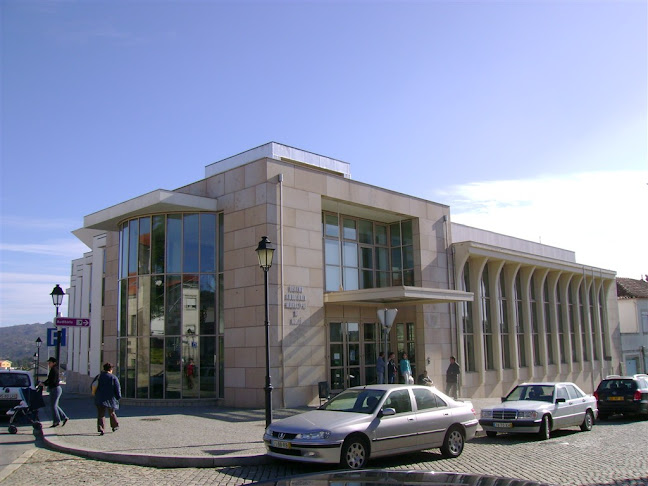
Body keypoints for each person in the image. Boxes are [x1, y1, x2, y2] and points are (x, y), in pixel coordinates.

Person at [40, 357, 69, 428]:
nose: (49, 364)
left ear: (54, 363)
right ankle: (64, 417)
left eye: (50, 363)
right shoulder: (53, 370)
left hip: (55, 389)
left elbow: (52, 381)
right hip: (54, 389)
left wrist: (45, 384)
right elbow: (49, 380)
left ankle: (56, 421)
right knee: (55, 405)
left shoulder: (54, 370)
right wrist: (44, 383)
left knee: (53, 406)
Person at [94, 362, 122, 436]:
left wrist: (95, 394)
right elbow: (117, 388)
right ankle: (114, 426)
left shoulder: (99, 376)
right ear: (111, 369)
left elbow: (93, 385)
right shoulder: (113, 377)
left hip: (100, 398)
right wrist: (118, 397)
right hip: (111, 398)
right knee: (112, 413)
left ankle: (101, 428)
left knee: (101, 414)